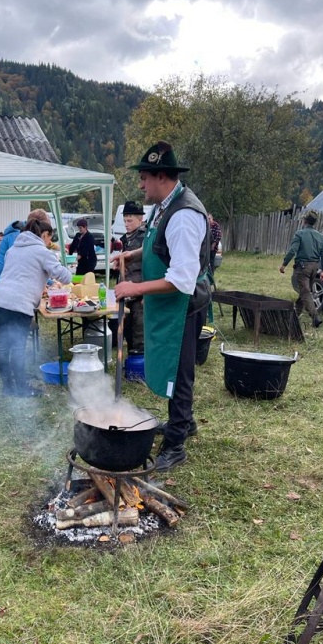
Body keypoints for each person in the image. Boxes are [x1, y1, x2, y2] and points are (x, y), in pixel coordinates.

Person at [113, 140, 211, 472]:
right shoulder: (165, 205)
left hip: (183, 304)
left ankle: (176, 444)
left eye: (143, 177)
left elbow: (183, 279)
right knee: (174, 366)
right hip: (171, 304)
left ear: (161, 177)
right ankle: (183, 423)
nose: (140, 184)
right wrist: (131, 254)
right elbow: (158, 244)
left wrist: (134, 287)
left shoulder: (184, 215)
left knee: (179, 371)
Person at [0, 215, 72, 397]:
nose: (50, 242)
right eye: (50, 237)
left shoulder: (13, 249)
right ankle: (21, 389)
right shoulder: (42, 252)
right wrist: (69, 268)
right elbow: (65, 277)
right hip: (19, 303)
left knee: (3, 346)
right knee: (18, 348)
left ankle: (8, 387)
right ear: (43, 235)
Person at [279, 210, 323, 328]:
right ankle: (294, 315)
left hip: (303, 267)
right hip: (314, 267)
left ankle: (315, 317)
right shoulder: (320, 236)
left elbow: (292, 250)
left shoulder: (299, 234)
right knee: (304, 291)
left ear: (305, 221)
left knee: (305, 292)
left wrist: (284, 264)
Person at [119, 200, 147, 354]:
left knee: (139, 330)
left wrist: (146, 293)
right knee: (128, 328)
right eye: (124, 220)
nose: (126, 224)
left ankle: (139, 365)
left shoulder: (145, 238)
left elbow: (150, 267)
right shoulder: (125, 238)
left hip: (140, 291)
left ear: (140, 219)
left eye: (130, 220)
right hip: (127, 292)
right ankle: (131, 359)